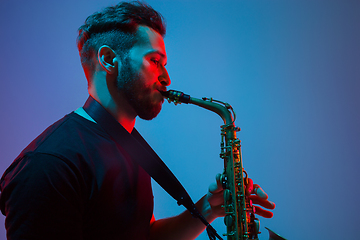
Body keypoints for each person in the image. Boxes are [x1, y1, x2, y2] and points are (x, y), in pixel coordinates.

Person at [0, 1, 275, 240]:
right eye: (155, 61)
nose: (167, 78)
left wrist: (209, 208)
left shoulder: (126, 145)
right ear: (109, 59)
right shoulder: (49, 166)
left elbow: (142, 236)